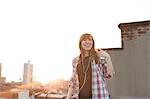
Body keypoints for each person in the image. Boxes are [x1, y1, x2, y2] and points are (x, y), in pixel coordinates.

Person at [66, 33, 114, 99]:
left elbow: (109, 74)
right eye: (84, 40)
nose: (87, 42)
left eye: (90, 40)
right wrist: (68, 97)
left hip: (98, 96)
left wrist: (108, 57)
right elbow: (72, 82)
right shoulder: (75, 61)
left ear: (93, 43)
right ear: (80, 43)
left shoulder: (98, 58)